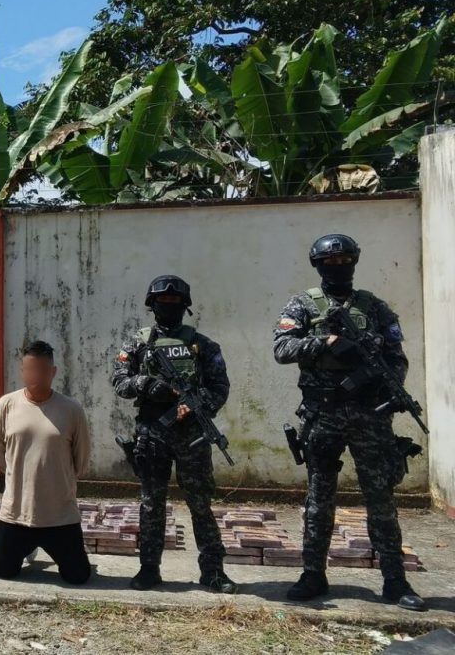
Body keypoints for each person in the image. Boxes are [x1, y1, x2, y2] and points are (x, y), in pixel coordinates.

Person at [274, 234, 425, 611]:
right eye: (331, 261)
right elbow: (282, 349)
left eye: (345, 261)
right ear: (318, 265)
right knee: (319, 499)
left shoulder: (374, 308)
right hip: (323, 415)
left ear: (354, 262)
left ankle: (394, 579)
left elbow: (397, 360)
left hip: (370, 416)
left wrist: (379, 382)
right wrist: (324, 342)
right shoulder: (303, 305)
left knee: (380, 499)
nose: (338, 267)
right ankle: (313, 574)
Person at [111, 275, 237, 594]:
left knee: (200, 503)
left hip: (192, 436)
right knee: (152, 503)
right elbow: (119, 381)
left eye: (175, 302)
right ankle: (149, 568)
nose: (169, 307)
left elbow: (220, 388)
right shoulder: (138, 343)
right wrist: (144, 384)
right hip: (153, 433)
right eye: (163, 302)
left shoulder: (203, 345)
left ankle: (213, 571)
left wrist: (196, 406)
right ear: (152, 306)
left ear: (185, 306)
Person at [0, 340, 91, 583]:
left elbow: (82, 458)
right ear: (22, 371)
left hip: (59, 515)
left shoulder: (71, 409)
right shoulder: (7, 405)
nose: (35, 375)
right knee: (4, 572)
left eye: (42, 370)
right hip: (16, 513)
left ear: (53, 372)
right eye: (30, 369)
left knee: (78, 577)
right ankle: (15, 545)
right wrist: (18, 473)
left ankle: (48, 547)